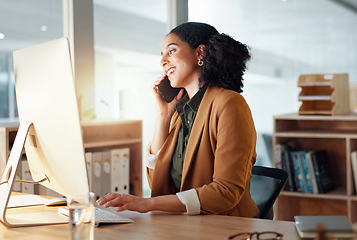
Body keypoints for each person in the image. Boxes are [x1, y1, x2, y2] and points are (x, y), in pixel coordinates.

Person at [97, 22, 258, 217]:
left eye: (171, 51)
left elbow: (225, 192)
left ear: (200, 53)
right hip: (186, 226)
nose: (163, 61)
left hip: (226, 226)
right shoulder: (180, 113)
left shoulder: (229, 103)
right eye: (162, 55)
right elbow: (157, 183)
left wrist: (147, 204)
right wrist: (163, 116)